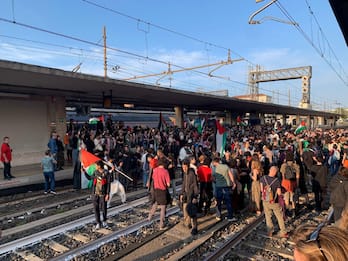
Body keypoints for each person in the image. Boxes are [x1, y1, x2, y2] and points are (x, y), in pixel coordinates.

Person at [260, 166, 288, 238]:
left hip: (265, 201)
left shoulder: (263, 178)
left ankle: (270, 232)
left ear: (269, 170)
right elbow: (279, 193)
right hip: (274, 202)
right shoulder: (277, 180)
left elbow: (261, 189)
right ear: (276, 172)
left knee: (268, 216)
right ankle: (283, 231)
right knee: (279, 216)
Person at [147, 158, 171, 230]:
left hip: (156, 189)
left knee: (156, 203)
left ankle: (149, 216)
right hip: (163, 191)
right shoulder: (165, 171)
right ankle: (161, 224)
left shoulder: (155, 170)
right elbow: (168, 184)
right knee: (163, 208)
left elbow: (153, 179)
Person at [212, 156, 237, 222]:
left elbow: (213, 178)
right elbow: (230, 175)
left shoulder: (214, 168)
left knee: (218, 201)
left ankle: (218, 215)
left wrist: (216, 181)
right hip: (226, 186)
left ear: (214, 162)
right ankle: (230, 216)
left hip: (218, 186)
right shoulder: (225, 166)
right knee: (228, 201)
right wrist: (233, 182)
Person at [180, 159, 199, 235]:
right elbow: (183, 184)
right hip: (185, 195)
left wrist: (195, 196)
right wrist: (181, 193)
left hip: (191, 195)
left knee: (192, 212)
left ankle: (195, 227)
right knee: (185, 210)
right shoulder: (184, 174)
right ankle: (187, 224)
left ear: (188, 166)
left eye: (185, 167)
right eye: (183, 167)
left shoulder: (192, 174)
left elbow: (195, 185)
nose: (184, 169)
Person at [90, 160, 111, 229]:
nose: (95, 166)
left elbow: (108, 184)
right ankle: (98, 222)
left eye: (96, 165)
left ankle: (104, 220)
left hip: (103, 193)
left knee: (103, 208)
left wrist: (107, 194)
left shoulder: (106, 173)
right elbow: (90, 178)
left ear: (99, 166)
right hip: (95, 193)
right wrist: (84, 172)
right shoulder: (95, 172)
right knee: (96, 208)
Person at [280, 151, 300, 217]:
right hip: (293, 182)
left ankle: (287, 210)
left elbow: (282, 175)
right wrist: (297, 184)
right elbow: (297, 176)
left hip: (285, 182)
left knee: (286, 197)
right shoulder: (296, 165)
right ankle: (294, 211)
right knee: (293, 197)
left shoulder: (283, 165)